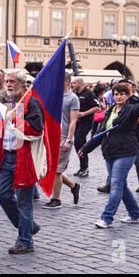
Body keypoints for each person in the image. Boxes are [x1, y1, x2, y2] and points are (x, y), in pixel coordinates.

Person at [78, 84, 139, 228]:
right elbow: (101, 133)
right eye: (116, 94)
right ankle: (135, 214)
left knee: (115, 185)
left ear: (128, 96)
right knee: (122, 185)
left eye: (122, 94)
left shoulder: (130, 109)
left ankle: (107, 218)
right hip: (110, 152)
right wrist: (86, 148)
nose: (119, 96)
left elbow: (138, 108)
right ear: (113, 96)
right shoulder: (110, 110)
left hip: (126, 151)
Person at [0, 70, 43, 254]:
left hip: (23, 158)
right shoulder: (12, 102)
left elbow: (37, 129)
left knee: (24, 202)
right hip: (8, 155)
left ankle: (25, 241)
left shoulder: (31, 102)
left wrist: (17, 118)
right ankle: (29, 226)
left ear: (23, 83)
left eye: (12, 81)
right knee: (2, 195)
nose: (8, 84)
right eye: (7, 81)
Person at [43, 73, 81, 209]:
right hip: (51, 137)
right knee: (50, 169)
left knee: (57, 170)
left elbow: (73, 121)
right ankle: (73, 185)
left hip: (64, 137)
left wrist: (69, 140)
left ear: (67, 82)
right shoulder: (54, 96)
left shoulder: (73, 98)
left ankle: (56, 199)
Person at [71, 77, 99, 177]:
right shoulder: (73, 93)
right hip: (76, 122)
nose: (72, 85)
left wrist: (84, 113)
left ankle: (85, 167)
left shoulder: (89, 93)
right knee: (77, 144)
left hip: (85, 122)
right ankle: (82, 167)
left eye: (73, 83)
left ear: (80, 83)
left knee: (80, 141)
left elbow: (96, 107)